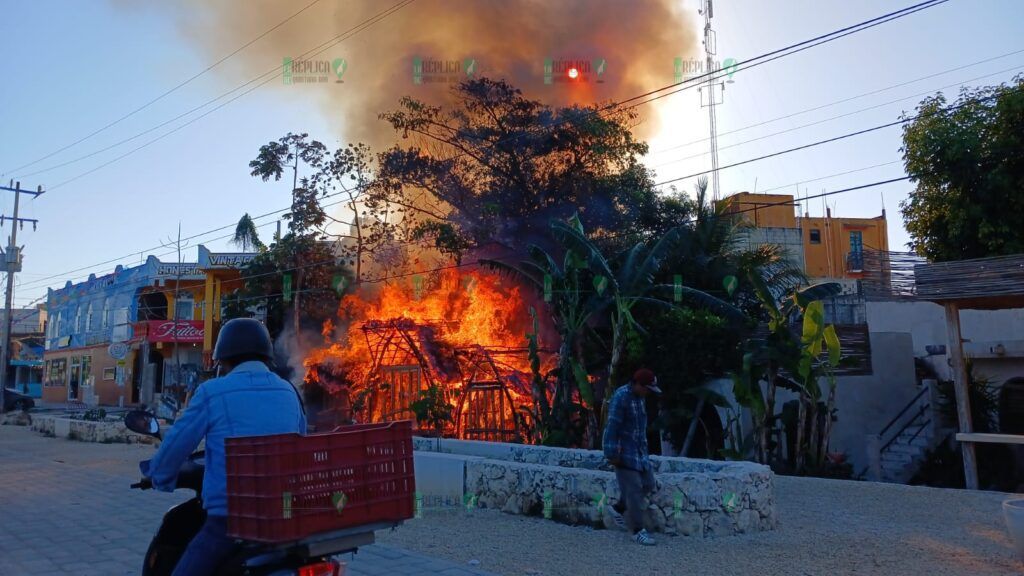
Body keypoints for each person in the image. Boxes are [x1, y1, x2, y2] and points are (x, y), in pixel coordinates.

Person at [142, 318, 307, 576]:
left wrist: (160, 476)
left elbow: (178, 442)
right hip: (284, 513)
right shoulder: (287, 391)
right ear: (266, 356)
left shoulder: (213, 391)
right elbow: (301, 440)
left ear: (224, 360)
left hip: (231, 519)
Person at [603, 368, 662, 546]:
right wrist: (611, 453)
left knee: (649, 483)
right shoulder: (621, 397)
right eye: (647, 389)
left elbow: (639, 427)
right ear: (638, 384)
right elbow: (612, 426)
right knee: (634, 489)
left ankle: (618, 508)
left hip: (639, 453)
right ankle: (637, 530)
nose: (648, 393)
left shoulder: (640, 398)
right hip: (623, 452)